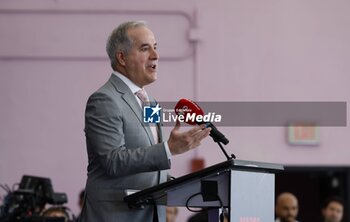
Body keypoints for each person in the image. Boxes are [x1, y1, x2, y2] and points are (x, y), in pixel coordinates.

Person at [79, 21, 211, 222]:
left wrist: (190, 184)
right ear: (122, 57)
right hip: (116, 216)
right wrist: (169, 149)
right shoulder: (104, 100)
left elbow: (153, 162)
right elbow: (113, 161)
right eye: (144, 48)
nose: (156, 56)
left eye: (155, 48)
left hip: (152, 215)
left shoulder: (151, 103)